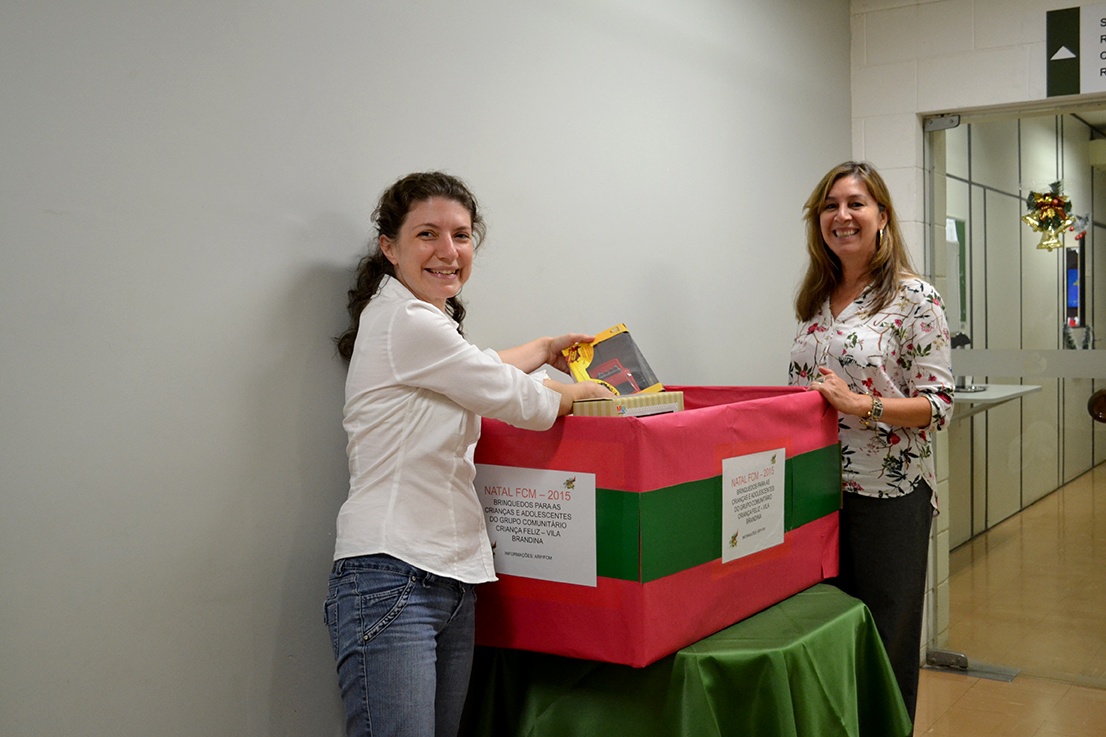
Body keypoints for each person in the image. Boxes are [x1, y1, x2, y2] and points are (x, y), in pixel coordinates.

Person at [325, 171, 609, 737]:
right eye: (427, 234)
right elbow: (513, 396)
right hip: (392, 573)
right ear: (390, 247)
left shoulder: (420, 326)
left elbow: (478, 367)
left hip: (447, 578)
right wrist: (584, 393)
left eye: (461, 235)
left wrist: (548, 348)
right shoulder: (406, 320)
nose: (448, 252)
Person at [788, 161, 954, 723]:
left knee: (886, 637)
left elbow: (938, 405)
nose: (842, 216)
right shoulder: (816, 297)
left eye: (856, 203)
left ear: (882, 216)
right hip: (818, 494)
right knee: (829, 633)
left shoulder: (914, 298)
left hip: (889, 495)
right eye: (830, 206)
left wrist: (865, 405)